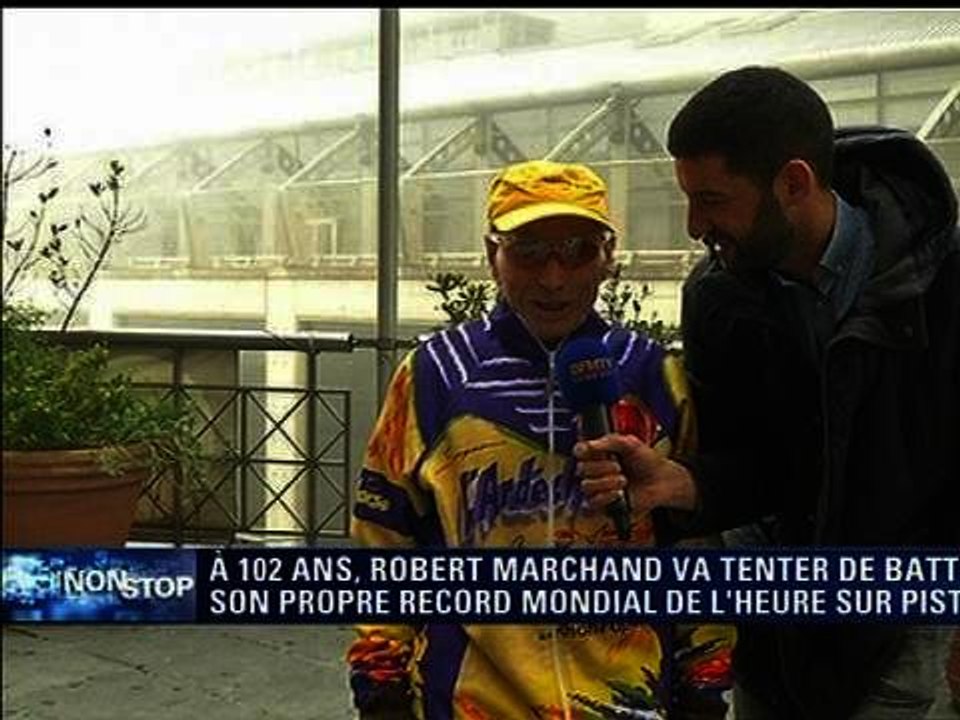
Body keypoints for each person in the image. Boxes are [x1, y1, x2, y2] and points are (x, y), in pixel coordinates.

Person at [576, 66, 960, 720]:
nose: (695, 224)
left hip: (895, 620)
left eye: (714, 199)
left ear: (793, 184)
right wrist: (680, 486)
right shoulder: (717, 295)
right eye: (688, 199)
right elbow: (758, 467)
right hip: (771, 622)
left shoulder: (937, 279)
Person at [347, 159, 734, 720]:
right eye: (528, 252)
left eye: (576, 250)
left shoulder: (654, 378)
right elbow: (382, 538)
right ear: (491, 256)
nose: (554, 278)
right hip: (470, 704)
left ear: (606, 257)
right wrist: (380, 689)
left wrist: (705, 682)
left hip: (630, 701)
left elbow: (697, 546)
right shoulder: (433, 375)